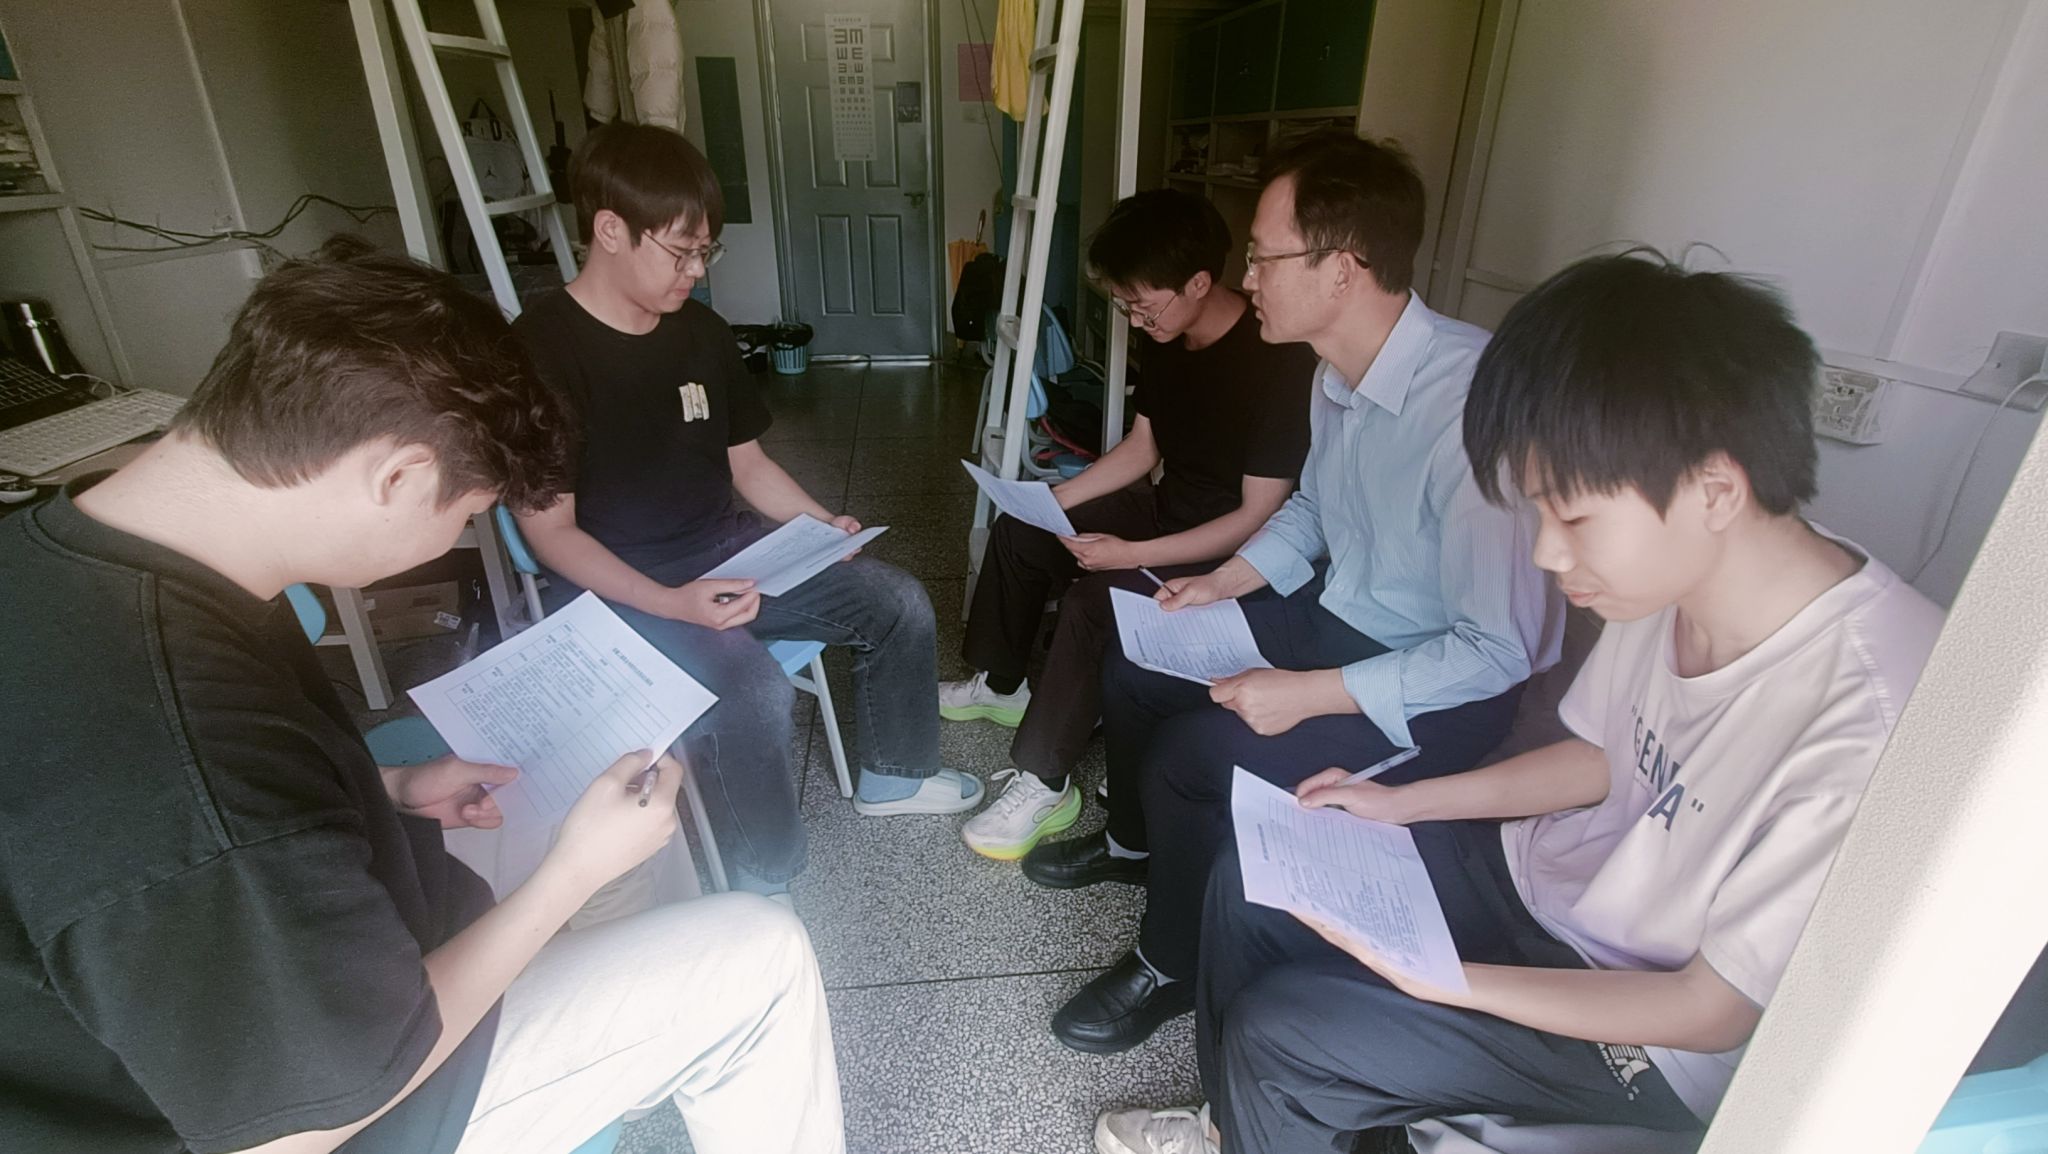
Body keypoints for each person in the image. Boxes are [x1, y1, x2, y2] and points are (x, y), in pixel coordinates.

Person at [0, 240, 843, 1154]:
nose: (457, 534)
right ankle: (660, 1035)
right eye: (467, 513)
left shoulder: (91, 551)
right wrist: (567, 878)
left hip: (316, 961)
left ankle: (629, 1042)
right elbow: (301, 1128)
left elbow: (206, 835)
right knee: (760, 957)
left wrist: (384, 788)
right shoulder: (184, 756)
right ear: (396, 476)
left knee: (612, 800)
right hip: (339, 1103)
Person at [1095, 252, 1944, 1154]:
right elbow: (1598, 758)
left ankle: (1272, 1108)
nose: (1545, 554)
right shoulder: (1676, 578)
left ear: (1716, 490)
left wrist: (1441, 981)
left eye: (1573, 519)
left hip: (1651, 1035)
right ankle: (1237, 1126)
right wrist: (1397, 802)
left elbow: (1710, 1011)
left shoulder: (1871, 720)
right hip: (1541, 882)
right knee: (1259, 878)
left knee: (1288, 1035)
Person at [1031, 131, 1561, 1055]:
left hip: (1432, 691)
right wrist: (1222, 582)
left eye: (1263, 258)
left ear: (1342, 267)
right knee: (1138, 658)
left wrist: (1309, 694)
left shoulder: (1475, 413)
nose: (1248, 278)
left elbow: (1496, 652)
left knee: (1194, 754)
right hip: (1340, 620)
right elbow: (1313, 506)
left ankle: (1169, 964)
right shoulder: (1333, 371)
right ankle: (1134, 850)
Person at [513, 123, 982, 899]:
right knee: (753, 691)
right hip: (620, 589)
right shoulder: (540, 351)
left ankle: (894, 778)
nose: (696, 272)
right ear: (610, 231)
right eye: (681, 252)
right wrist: (672, 601)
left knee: (897, 600)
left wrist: (820, 526)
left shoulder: (700, 332)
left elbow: (749, 463)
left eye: (707, 252)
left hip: (726, 553)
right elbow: (548, 531)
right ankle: (764, 884)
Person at [943, 188, 1317, 861]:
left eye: (1143, 304)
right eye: (1127, 305)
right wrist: (1054, 501)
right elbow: (1143, 450)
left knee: (1095, 603)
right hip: (1167, 507)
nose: (1136, 318)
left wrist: (1128, 553)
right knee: (1024, 531)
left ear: (1198, 282)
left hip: (1226, 551)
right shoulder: (1169, 336)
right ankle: (1003, 685)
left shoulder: (1279, 361)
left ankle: (1045, 782)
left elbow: (1256, 517)